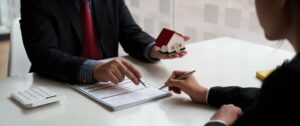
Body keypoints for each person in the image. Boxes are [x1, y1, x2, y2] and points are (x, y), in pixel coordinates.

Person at [165, 0, 300, 125]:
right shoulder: (288, 86)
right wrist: (205, 93)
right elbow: (275, 101)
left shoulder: (289, 79)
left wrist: (219, 122)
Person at [20, 0, 187, 84]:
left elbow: (129, 32)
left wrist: (152, 48)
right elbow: (43, 55)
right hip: (58, 84)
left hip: (108, 87)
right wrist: (94, 68)